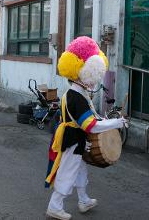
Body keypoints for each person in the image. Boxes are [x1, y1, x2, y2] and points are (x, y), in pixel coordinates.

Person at [45, 36, 128, 220]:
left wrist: (105, 119)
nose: (94, 82)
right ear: (84, 73)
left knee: (80, 172)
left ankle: (83, 200)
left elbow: (92, 117)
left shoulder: (78, 93)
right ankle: (54, 206)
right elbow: (90, 125)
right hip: (73, 140)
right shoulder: (77, 96)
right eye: (93, 77)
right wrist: (117, 122)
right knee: (68, 173)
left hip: (76, 139)